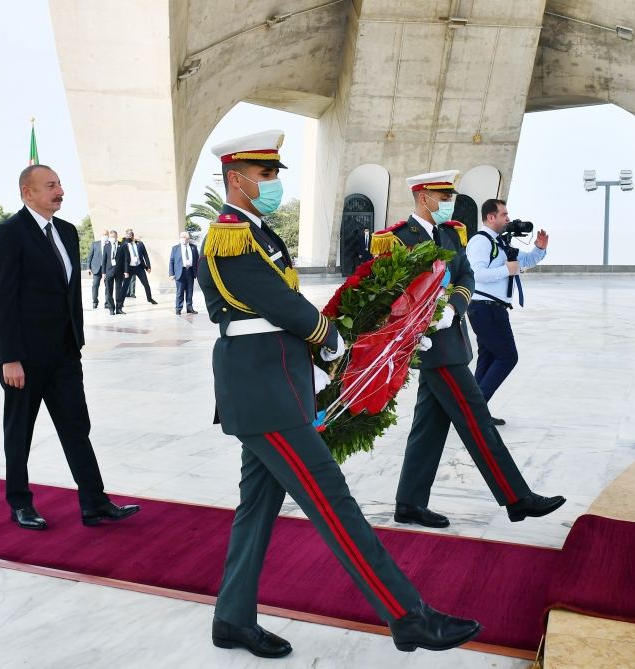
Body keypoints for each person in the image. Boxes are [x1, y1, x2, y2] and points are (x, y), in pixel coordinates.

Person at [198, 131, 480, 659]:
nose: (275, 183)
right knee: (333, 504)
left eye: (276, 174)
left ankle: (231, 619)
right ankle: (407, 615)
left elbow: (283, 303)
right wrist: (327, 336)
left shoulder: (259, 233)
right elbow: (275, 302)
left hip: (276, 386)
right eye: (265, 175)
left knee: (257, 509)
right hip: (263, 392)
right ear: (235, 179)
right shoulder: (229, 236)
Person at [371, 171, 564, 529]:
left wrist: (452, 309)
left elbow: (466, 277)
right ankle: (516, 497)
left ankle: (409, 504)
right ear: (421, 196)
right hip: (430, 344)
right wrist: (422, 321)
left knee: (428, 427)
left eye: (449, 197)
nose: (447, 203)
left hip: (452, 335)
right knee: (476, 418)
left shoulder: (450, 234)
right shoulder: (397, 239)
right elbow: (388, 293)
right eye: (441, 197)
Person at [0, 164, 140, 530]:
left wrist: (76, 343)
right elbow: (1, 301)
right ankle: (20, 503)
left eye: (59, 184)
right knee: (20, 431)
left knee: (76, 426)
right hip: (22, 358)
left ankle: (94, 503)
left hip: (64, 353)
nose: (60, 191)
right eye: (51, 185)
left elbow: (69, 295)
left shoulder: (68, 232)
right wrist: (10, 358)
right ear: (28, 192)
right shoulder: (9, 234)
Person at [466, 199, 548, 425]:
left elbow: (526, 261)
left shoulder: (501, 243)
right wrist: (507, 270)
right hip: (485, 309)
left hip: (493, 309)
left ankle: (473, 411)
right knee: (508, 356)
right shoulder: (480, 242)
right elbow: (477, 274)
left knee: (488, 358)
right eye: (504, 214)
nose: (508, 219)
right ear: (490, 217)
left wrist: (539, 248)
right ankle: (476, 413)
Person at [121, 229, 157, 306]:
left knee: (146, 284)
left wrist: (148, 267)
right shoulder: (124, 244)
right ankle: (121, 302)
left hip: (139, 267)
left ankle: (150, 298)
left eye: (129, 236)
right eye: (126, 236)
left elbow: (145, 255)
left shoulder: (140, 244)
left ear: (133, 236)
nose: (128, 238)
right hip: (129, 268)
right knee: (125, 286)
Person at [169, 230, 199, 315]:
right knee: (180, 292)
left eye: (185, 237)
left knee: (190, 291)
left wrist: (197, 273)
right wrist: (171, 273)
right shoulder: (175, 248)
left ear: (188, 239)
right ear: (180, 238)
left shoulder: (193, 247)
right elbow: (171, 261)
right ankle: (178, 308)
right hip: (180, 272)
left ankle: (190, 308)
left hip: (190, 271)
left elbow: (197, 261)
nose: (184, 239)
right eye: (182, 237)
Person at [102, 229, 126, 315]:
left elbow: (126, 260)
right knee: (109, 290)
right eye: (110, 237)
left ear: (116, 236)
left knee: (119, 290)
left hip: (119, 271)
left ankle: (119, 309)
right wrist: (103, 273)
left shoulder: (122, 245)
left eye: (113, 236)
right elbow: (104, 260)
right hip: (108, 272)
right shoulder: (106, 246)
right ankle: (111, 309)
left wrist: (126, 271)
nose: (111, 238)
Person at [86, 229, 109, 309]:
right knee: (95, 285)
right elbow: (89, 256)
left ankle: (107, 303)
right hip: (96, 269)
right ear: (101, 235)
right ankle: (95, 302)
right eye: (104, 234)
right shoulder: (95, 244)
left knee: (108, 286)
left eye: (106, 234)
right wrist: (88, 268)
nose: (105, 236)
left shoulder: (110, 244)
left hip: (106, 269)